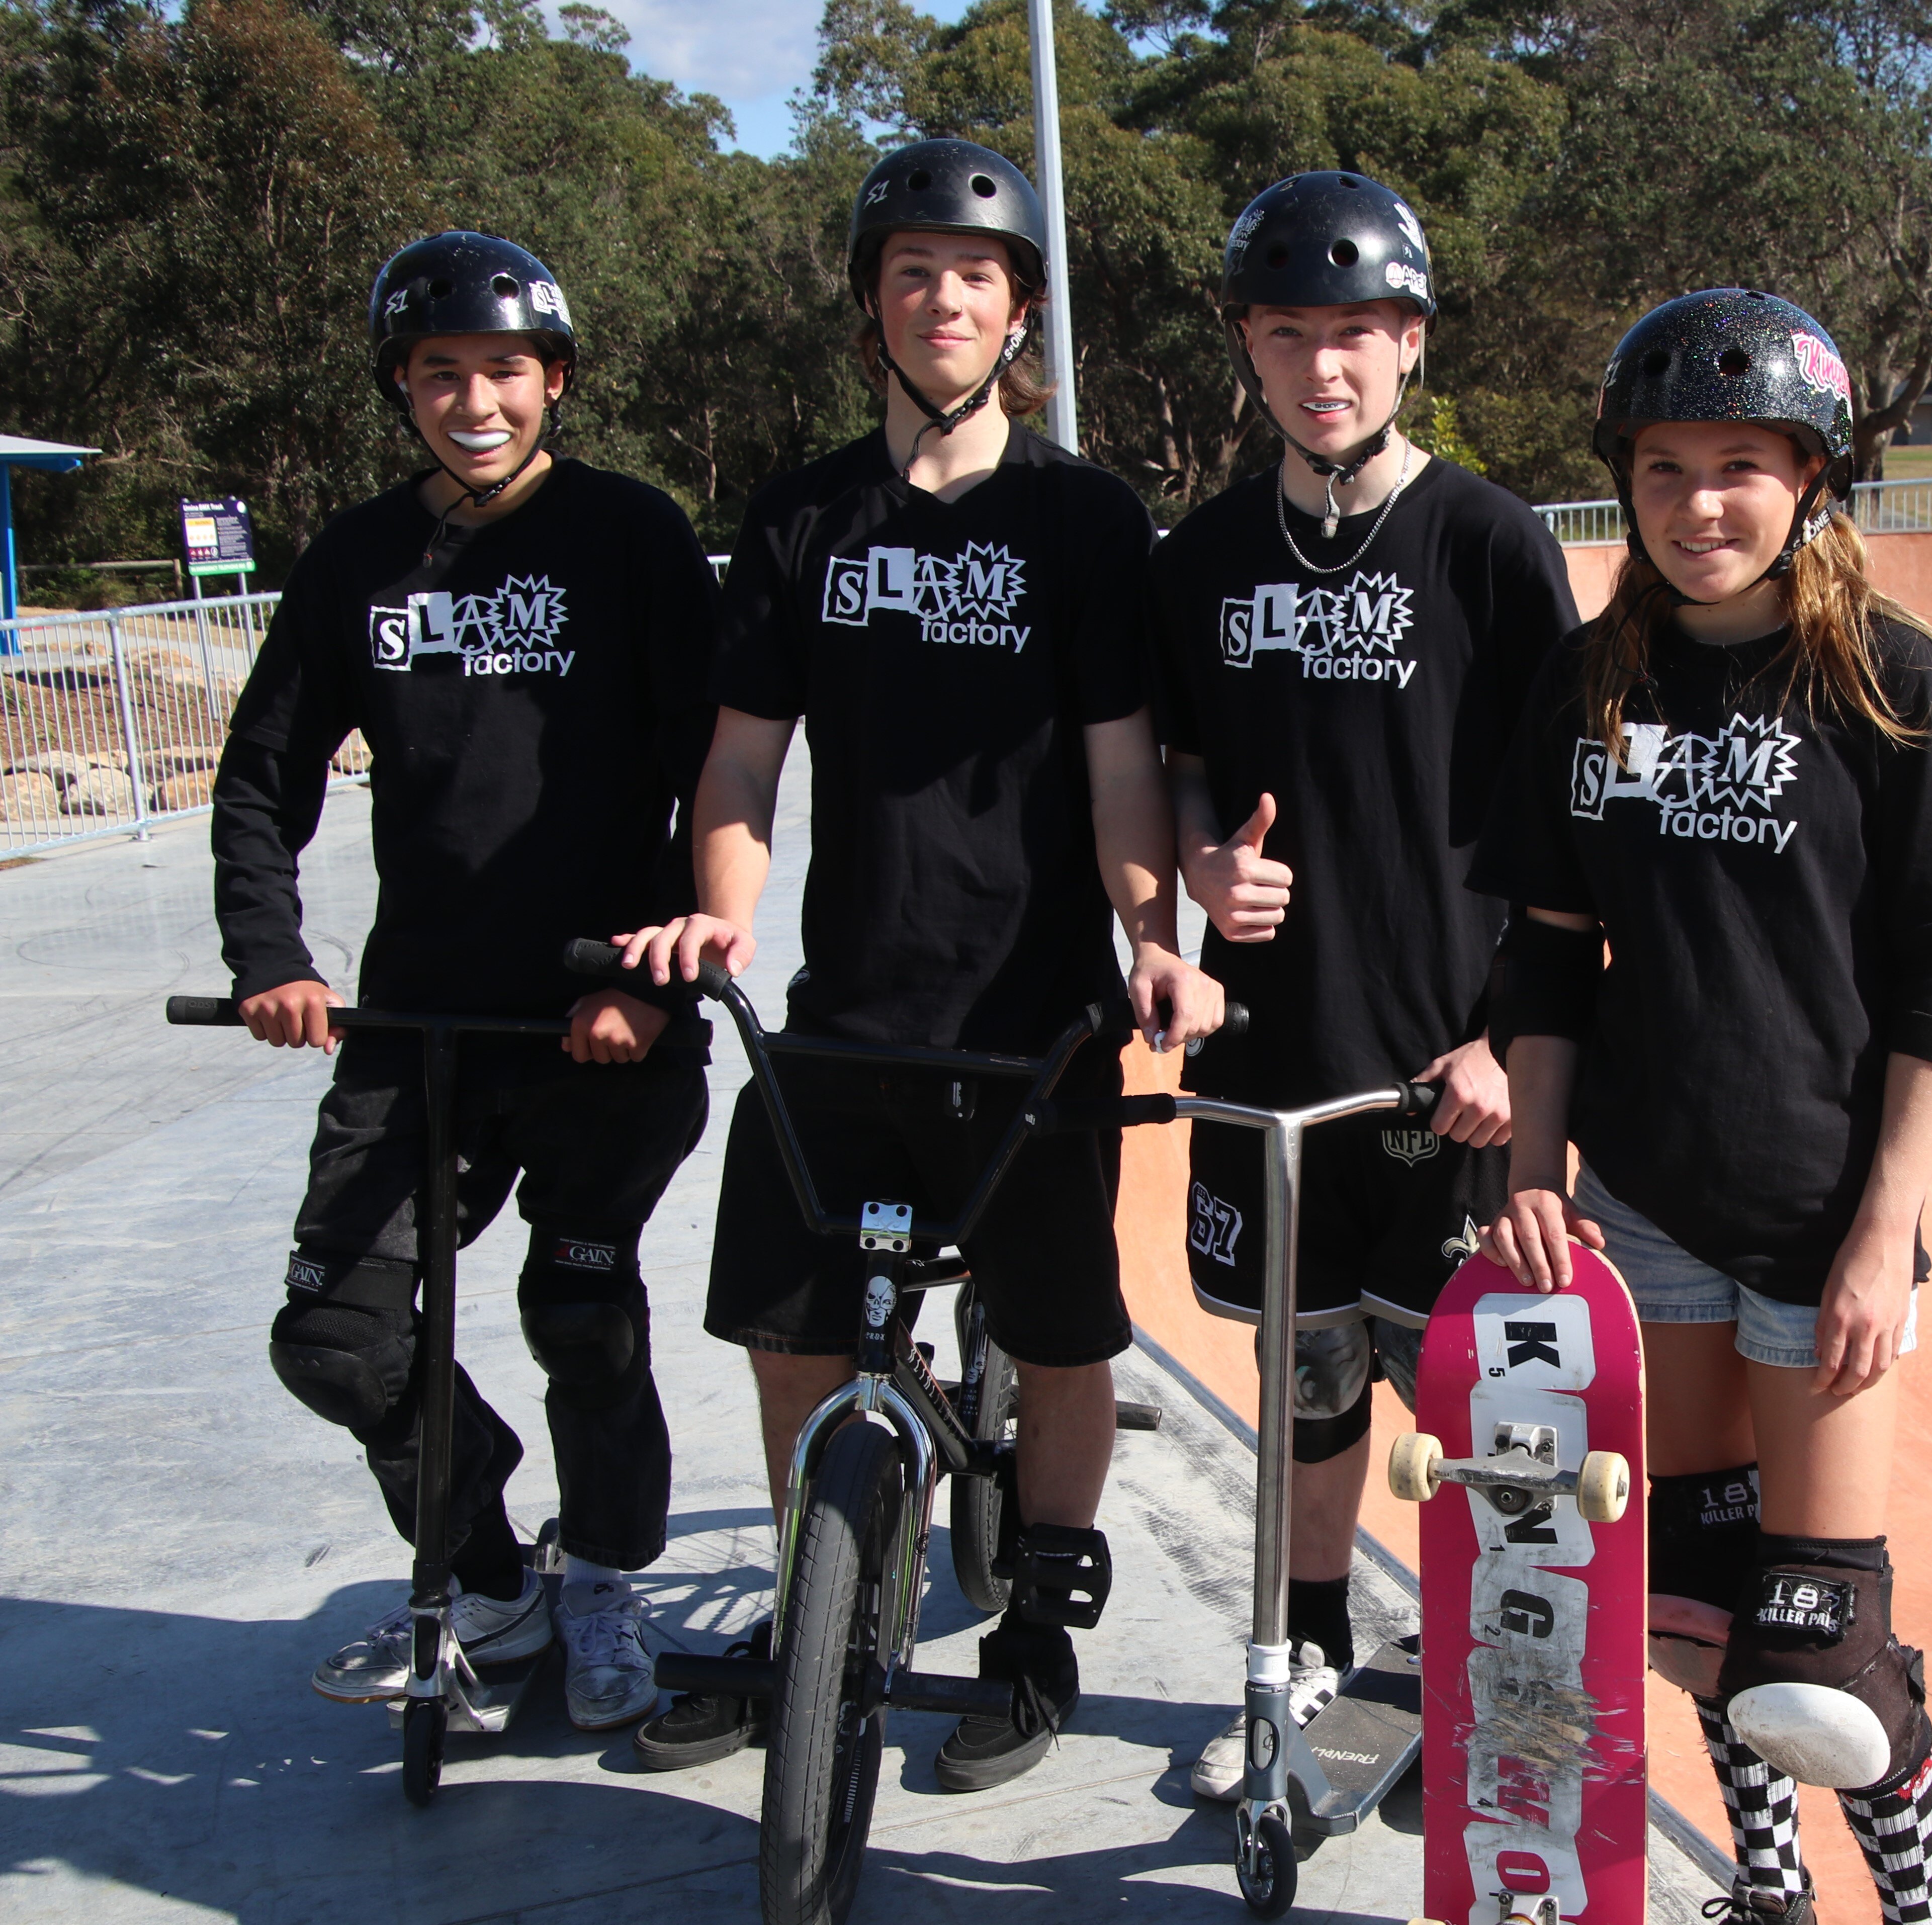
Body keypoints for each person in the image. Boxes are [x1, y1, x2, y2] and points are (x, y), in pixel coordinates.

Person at [621, 138, 1223, 1789]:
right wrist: (725, 908)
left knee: (1061, 1334)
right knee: (787, 1327)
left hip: (1034, 1025)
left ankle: (1034, 1619)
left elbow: (1121, 770)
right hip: (850, 1014)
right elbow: (741, 762)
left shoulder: (1087, 518)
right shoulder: (806, 510)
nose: (941, 298)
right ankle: (808, 1604)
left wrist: (1155, 946)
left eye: (974, 275)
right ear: (872, 306)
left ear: (1017, 310)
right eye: (910, 272)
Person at [1474, 290, 1932, 1925]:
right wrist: (1534, 1169)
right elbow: (1552, 948)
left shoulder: (1884, 680)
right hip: (1645, 1206)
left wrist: (1890, 1226)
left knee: (1830, 1648)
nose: (1699, 503)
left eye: (1740, 467)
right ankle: (1767, 1910)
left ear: (1810, 476)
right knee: (1697, 1614)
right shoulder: (1598, 679)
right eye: (1664, 468)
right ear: (1624, 484)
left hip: (1818, 1217)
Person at [211, 230, 719, 1734]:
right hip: (415, 1020)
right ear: (403, 389)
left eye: (505, 369)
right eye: (441, 372)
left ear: (552, 381)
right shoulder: (357, 562)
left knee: (582, 1315)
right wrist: (272, 957)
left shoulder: (629, 536)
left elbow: (717, 779)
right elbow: (262, 776)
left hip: (599, 1025)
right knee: (338, 1335)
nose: (475, 400)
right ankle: (490, 1572)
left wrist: (654, 979)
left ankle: (612, 1588)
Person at [1151, 170, 1580, 1798]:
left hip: (1446, 1068)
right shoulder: (1196, 559)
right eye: (1288, 335)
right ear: (1248, 352)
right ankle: (1312, 1658)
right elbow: (1178, 766)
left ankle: (1485, 1678)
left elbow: (1570, 818)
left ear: (1407, 342)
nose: (1322, 366)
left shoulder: (1486, 543)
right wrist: (1200, 863)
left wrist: (1511, 1037)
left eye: (1356, 333)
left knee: (1475, 1413)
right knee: (1309, 1387)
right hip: (1272, 1060)